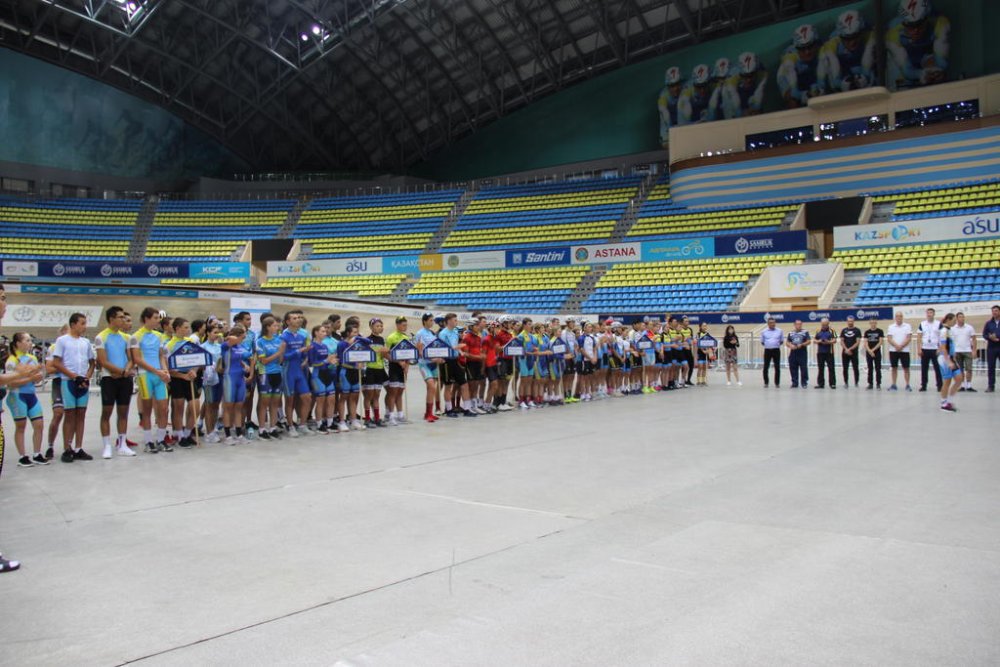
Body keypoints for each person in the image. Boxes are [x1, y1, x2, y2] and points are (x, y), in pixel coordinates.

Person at [0, 283, 45, 572]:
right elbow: (9, 378)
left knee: (37, 422)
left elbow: (17, 377)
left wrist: (24, 376)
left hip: (16, 399)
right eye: (2, 298)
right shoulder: (11, 355)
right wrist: (19, 376)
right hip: (14, 400)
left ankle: (35, 453)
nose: (5, 304)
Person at [51, 313, 96, 463]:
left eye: (85, 323)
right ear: (73, 324)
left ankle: (78, 448)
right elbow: (56, 363)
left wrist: (87, 377)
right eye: (82, 323)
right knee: (69, 414)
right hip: (68, 382)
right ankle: (67, 448)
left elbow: (92, 363)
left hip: (82, 382)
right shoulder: (62, 340)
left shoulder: (86, 342)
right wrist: (73, 376)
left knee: (81, 414)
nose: (85, 326)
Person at [94, 306, 137, 459]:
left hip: (124, 379)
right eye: (120, 317)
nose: (123, 320)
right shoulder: (101, 337)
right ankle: (106, 445)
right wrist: (120, 371)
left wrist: (125, 371)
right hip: (109, 379)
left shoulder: (126, 337)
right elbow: (103, 361)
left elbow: (131, 359)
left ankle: (122, 444)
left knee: (123, 412)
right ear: (111, 319)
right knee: (106, 412)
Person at [886, 0, 950, 90]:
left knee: (936, 73)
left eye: (919, 24)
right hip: (903, 59)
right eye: (910, 26)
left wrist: (937, 72)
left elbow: (941, 63)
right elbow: (906, 70)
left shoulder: (941, 24)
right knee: (899, 82)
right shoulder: (892, 34)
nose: (916, 31)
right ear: (903, 23)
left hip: (926, 55)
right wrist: (920, 74)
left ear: (927, 19)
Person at [132, 307, 171, 453]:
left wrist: (165, 371)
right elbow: (137, 359)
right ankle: (148, 442)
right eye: (155, 318)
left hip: (159, 375)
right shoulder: (136, 336)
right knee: (147, 410)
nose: (158, 320)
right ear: (146, 319)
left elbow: (161, 356)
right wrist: (157, 371)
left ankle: (161, 440)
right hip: (145, 376)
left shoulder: (159, 336)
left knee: (163, 409)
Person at [5, 332, 47, 467]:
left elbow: (36, 378)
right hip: (17, 396)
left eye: (30, 340)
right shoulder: (12, 360)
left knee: (39, 424)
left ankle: (37, 454)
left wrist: (39, 376)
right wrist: (31, 378)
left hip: (31, 395)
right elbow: (10, 383)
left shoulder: (32, 358)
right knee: (21, 426)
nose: (30, 343)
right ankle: (22, 456)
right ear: (18, 343)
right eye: (27, 340)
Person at [164, 318, 201, 448]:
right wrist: (182, 375)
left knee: (195, 407)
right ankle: (179, 435)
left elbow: (197, 359)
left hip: (190, 378)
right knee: (178, 407)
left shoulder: (191, 342)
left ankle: (187, 433)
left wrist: (194, 371)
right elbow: (168, 367)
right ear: (177, 328)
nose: (188, 330)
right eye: (185, 327)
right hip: (177, 379)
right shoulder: (169, 345)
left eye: (188, 327)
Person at [819, 9, 875, 92]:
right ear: (840, 37)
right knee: (826, 60)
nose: (852, 42)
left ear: (861, 32)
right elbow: (834, 75)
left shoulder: (870, 35)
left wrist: (866, 77)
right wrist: (841, 84)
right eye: (847, 39)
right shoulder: (832, 43)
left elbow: (868, 55)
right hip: (843, 72)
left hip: (867, 71)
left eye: (855, 36)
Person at [279, 310, 312, 436]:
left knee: (307, 397)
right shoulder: (283, 336)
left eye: (299, 317)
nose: (298, 319)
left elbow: (304, 353)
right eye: (294, 318)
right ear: (288, 322)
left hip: (299, 370)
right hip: (288, 371)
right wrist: (299, 351)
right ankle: (290, 426)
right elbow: (283, 357)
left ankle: (302, 424)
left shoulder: (301, 336)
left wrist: (305, 358)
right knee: (290, 400)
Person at [778, 24, 825, 108]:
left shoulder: (823, 49)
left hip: (816, 83)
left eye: (810, 46)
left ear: (816, 44)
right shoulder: (789, 59)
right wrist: (802, 96)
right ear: (796, 48)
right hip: (799, 87)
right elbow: (787, 94)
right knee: (792, 101)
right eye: (802, 48)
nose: (807, 52)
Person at [219, 325, 252, 444]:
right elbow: (229, 339)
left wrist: (245, 365)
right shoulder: (226, 345)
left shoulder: (239, 346)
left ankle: (239, 434)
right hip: (229, 378)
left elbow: (240, 358)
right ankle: (228, 435)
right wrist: (234, 336)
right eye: (243, 337)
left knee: (239, 406)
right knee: (228, 407)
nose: (244, 339)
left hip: (240, 378)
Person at [44, 324, 69, 460]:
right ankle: (50, 445)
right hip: (58, 382)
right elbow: (49, 369)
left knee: (71, 415)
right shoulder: (53, 348)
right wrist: (64, 367)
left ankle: (68, 446)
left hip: (70, 382)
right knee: (58, 414)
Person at [335, 321, 366, 431]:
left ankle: (353, 420)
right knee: (343, 397)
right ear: (348, 333)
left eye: (357, 332)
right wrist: (355, 365)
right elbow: (341, 360)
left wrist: (361, 364)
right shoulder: (341, 344)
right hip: (345, 372)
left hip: (355, 373)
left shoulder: (358, 344)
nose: (356, 334)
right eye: (354, 332)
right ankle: (341, 421)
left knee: (354, 397)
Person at [307, 324, 338, 433]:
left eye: (325, 331)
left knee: (331, 399)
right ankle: (319, 424)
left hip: (327, 374)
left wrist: (332, 362)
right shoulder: (312, 346)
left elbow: (326, 361)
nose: (325, 333)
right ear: (316, 333)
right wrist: (326, 361)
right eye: (323, 331)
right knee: (320, 400)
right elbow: (311, 363)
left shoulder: (324, 346)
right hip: (317, 375)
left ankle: (330, 423)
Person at [413, 313, 442, 423]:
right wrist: (431, 358)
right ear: (424, 321)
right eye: (430, 320)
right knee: (431, 386)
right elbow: (419, 351)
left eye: (433, 320)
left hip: (434, 364)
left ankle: (428, 413)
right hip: (424, 364)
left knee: (431, 389)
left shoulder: (432, 333)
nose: (432, 322)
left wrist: (439, 357)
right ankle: (428, 413)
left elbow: (436, 348)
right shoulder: (419, 333)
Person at [721, 51, 767, 119]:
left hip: (749, 90)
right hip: (733, 93)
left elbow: (759, 93)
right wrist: (740, 113)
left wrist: (755, 109)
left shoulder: (762, 72)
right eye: (745, 76)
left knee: (757, 107)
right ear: (739, 73)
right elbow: (734, 105)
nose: (748, 79)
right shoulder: (731, 78)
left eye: (751, 75)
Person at [362, 318, 389, 427]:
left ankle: (377, 418)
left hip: (380, 369)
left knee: (377, 395)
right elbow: (364, 354)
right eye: (377, 326)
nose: (380, 328)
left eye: (381, 326)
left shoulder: (382, 340)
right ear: (371, 327)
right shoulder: (367, 340)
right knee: (369, 395)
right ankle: (367, 419)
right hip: (370, 369)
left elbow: (383, 356)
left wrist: (385, 352)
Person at [201, 322, 225, 443]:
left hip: (220, 376)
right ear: (208, 333)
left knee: (216, 404)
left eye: (218, 333)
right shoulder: (203, 347)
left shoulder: (219, 346)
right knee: (209, 404)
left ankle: (213, 427)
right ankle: (209, 432)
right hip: (209, 378)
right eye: (214, 332)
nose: (217, 335)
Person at [384, 316, 411, 424]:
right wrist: (398, 362)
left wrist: (407, 366)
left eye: (406, 325)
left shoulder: (406, 337)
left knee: (400, 392)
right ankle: (390, 415)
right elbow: (386, 354)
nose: (405, 327)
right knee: (393, 392)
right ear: (397, 325)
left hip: (403, 368)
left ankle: (400, 414)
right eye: (403, 325)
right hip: (394, 367)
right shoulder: (391, 337)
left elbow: (409, 353)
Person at [937, 313, 961, 412]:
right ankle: (944, 403)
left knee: (959, 379)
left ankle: (949, 401)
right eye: (954, 320)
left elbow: (950, 345)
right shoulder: (944, 331)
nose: (955, 322)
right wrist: (948, 361)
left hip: (951, 358)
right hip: (944, 359)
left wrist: (954, 357)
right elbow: (943, 347)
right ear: (948, 320)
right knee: (947, 381)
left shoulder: (949, 330)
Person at [886, 311, 913, 392]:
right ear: (895, 317)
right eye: (897, 316)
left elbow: (908, 338)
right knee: (894, 368)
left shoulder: (907, 326)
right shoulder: (891, 327)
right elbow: (889, 338)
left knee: (906, 368)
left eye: (900, 316)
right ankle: (894, 385)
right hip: (893, 351)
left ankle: (907, 385)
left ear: (902, 317)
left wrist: (901, 346)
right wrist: (896, 346)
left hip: (904, 351)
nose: (899, 318)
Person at [917, 308, 942, 392]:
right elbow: (919, 337)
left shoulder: (938, 324)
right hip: (925, 349)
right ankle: (923, 385)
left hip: (935, 349)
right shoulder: (922, 324)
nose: (929, 314)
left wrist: (940, 348)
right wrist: (919, 349)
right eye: (928, 313)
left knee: (937, 368)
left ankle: (939, 385)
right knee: (924, 369)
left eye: (931, 313)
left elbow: (942, 337)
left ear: (934, 314)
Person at [951, 312, 977, 392]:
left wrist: (974, 350)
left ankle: (969, 385)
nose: (962, 318)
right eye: (960, 317)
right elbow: (951, 341)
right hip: (957, 351)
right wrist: (952, 352)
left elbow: (974, 339)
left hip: (967, 351)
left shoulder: (969, 327)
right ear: (957, 318)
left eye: (963, 317)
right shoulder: (952, 329)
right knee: (960, 369)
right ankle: (962, 385)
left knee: (969, 368)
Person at [657, 66, 683, 143]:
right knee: (666, 142)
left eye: (677, 84)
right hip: (669, 121)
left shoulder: (686, 89)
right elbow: (665, 114)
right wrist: (671, 131)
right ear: (667, 86)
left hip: (684, 120)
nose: (675, 88)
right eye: (672, 86)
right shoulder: (663, 96)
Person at [786, 320, 811, 388]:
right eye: (797, 324)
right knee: (793, 368)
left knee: (803, 368)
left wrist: (802, 344)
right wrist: (790, 345)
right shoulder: (791, 333)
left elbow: (809, 341)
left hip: (802, 352)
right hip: (793, 352)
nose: (799, 326)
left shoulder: (805, 332)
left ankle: (804, 383)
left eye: (800, 324)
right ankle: (794, 383)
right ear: (794, 325)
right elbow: (787, 342)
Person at [813, 318, 836, 389]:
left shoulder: (832, 331)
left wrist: (828, 342)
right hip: (820, 353)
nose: (824, 326)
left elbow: (834, 340)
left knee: (831, 368)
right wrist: (819, 341)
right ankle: (821, 384)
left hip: (829, 352)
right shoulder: (818, 330)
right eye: (823, 325)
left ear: (828, 324)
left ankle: (832, 384)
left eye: (825, 325)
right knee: (820, 369)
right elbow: (814, 340)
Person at [760, 318, 783, 388]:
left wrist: (774, 345)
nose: (772, 324)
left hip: (776, 350)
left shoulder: (780, 331)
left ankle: (777, 383)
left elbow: (781, 341)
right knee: (766, 367)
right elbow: (762, 342)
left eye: (773, 322)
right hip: (767, 350)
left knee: (777, 367)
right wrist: (769, 345)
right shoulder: (764, 331)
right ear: (768, 324)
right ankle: (766, 382)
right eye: (771, 323)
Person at [840, 316, 862, 388]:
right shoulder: (844, 330)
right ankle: (846, 382)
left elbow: (857, 342)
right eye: (849, 321)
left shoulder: (857, 330)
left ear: (853, 321)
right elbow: (842, 341)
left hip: (854, 352)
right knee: (845, 368)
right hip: (845, 353)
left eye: (851, 321)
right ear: (847, 322)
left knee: (855, 368)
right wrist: (846, 349)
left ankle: (856, 382)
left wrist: (850, 349)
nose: (850, 322)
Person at [983, 305, 1000, 392]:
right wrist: (990, 337)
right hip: (991, 348)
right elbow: (984, 334)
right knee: (991, 367)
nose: (994, 312)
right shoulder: (988, 323)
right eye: (993, 311)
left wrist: (998, 338)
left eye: (996, 311)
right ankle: (991, 386)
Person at [863, 319, 885, 390]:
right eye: (872, 323)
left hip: (877, 352)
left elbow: (880, 342)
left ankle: (878, 384)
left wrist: (873, 350)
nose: (873, 324)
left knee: (878, 368)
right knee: (870, 368)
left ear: (876, 323)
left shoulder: (880, 331)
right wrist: (869, 351)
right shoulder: (867, 332)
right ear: (870, 323)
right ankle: (870, 384)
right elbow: (865, 343)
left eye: (874, 323)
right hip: (869, 353)